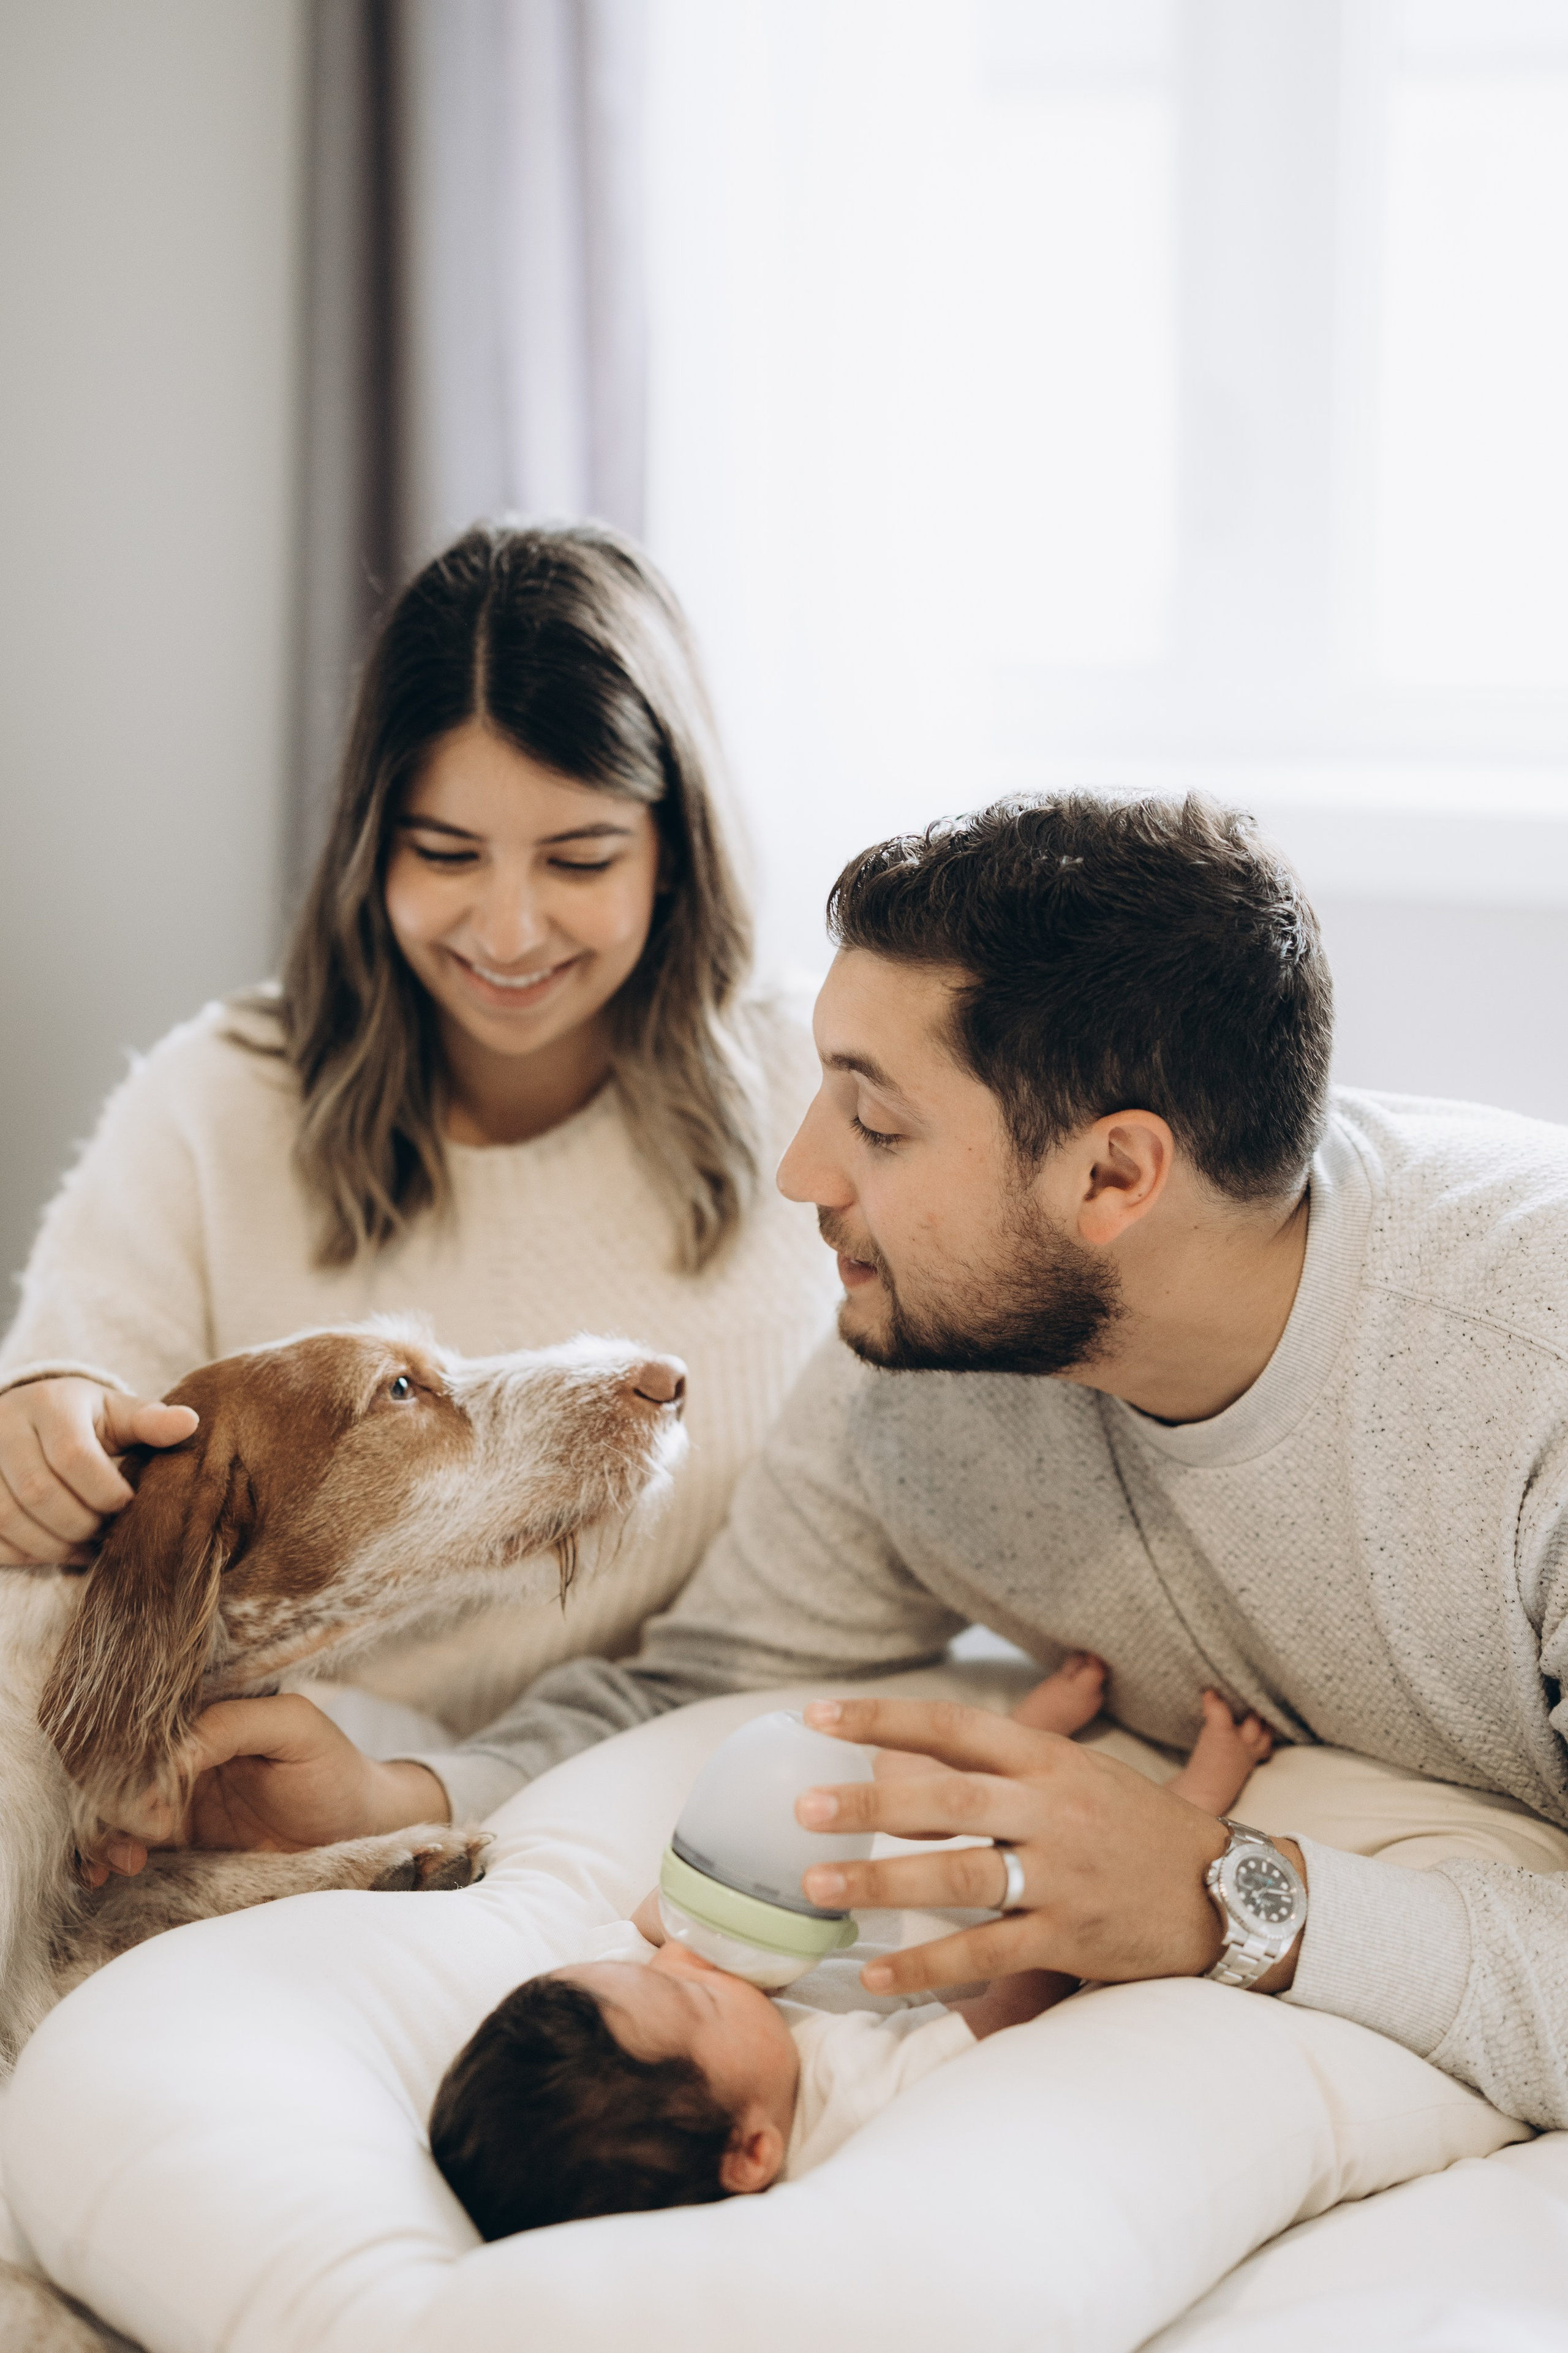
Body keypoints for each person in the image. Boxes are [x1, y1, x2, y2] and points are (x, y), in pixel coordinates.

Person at [75, 792, 1568, 2136]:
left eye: (876, 1120)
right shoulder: (917, 1375)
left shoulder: (1528, 1379)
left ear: (1114, 1174)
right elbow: (701, 1679)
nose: (801, 1171)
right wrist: (394, 1794)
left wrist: (1226, 1897)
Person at [0, 523, 839, 1767]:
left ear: (673, 853)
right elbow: (71, 1477)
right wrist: (42, 1427)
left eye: (579, 858)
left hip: (660, 1771)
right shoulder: (212, 1104)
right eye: (445, 854)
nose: (508, 930)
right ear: (370, 845)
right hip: (274, 1783)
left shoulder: (823, 1091)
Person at [428, 1652, 1274, 2237]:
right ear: (752, 2149)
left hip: (852, 1890)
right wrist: (1043, 1924)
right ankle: (1196, 1795)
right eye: (696, 1993)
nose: (684, 1960)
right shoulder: (842, 2091)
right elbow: (1007, 2012)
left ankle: (1022, 1729)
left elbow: (653, 1921)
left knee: (886, 1784)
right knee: (1090, 1872)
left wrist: (689, 1910)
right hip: (984, 1923)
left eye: (646, 1967)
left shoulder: (631, 1998)